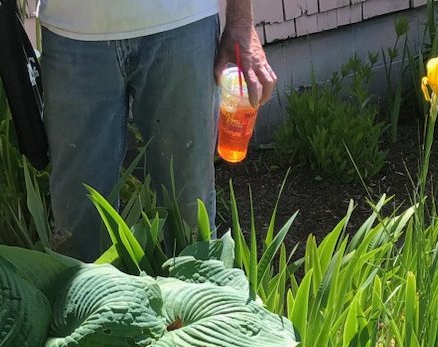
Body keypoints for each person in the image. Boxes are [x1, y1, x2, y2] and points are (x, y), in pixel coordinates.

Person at [36, 0, 277, 261]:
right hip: (71, 31)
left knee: (191, 226)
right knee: (77, 233)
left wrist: (241, 21)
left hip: (183, 21)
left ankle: (200, 299)